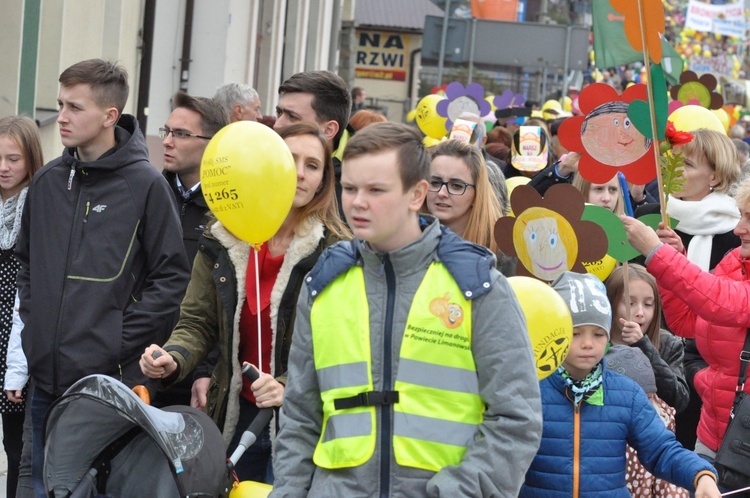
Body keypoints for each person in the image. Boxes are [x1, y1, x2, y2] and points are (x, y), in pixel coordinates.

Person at [270, 122, 542, 496]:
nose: (357, 202)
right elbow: (300, 417)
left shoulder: (476, 285)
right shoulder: (325, 283)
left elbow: (516, 419)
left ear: (417, 194)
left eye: (376, 190)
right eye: (349, 188)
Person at [15, 59, 191, 497]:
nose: (63, 117)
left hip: (107, 385)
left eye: (75, 107)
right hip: (45, 380)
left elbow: (171, 278)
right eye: (60, 104)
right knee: (42, 487)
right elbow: (27, 262)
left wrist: (115, 337)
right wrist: (36, 330)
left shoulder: (147, 186)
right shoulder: (48, 182)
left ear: (110, 116)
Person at [140, 122, 351, 483]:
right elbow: (197, 321)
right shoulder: (223, 237)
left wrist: (286, 384)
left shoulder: (336, 251)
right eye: (289, 160)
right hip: (235, 417)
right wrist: (172, 358)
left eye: (313, 166)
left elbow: (340, 344)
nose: (299, 174)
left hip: (302, 424)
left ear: (324, 180)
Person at [520, 271, 721, 498]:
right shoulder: (530, 391)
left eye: (598, 333)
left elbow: (661, 449)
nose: (588, 344)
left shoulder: (627, 394)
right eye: (575, 333)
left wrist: (700, 474)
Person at [622, 177, 750, 490]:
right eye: (741, 215)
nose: (738, 229)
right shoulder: (736, 261)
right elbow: (687, 321)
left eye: (749, 218)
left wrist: (656, 252)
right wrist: (673, 257)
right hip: (713, 432)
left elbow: (722, 301)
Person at [636, 128, 742, 451]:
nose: (678, 172)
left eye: (690, 165)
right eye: (675, 164)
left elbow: (716, 299)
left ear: (715, 175)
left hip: (710, 376)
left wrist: (673, 260)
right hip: (654, 353)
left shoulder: (737, 234)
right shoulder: (650, 220)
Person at [157, 91, 229, 407]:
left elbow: (224, 299)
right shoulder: (148, 198)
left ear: (213, 143)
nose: (167, 142)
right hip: (143, 361)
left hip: (195, 375)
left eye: (181, 134)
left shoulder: (229, 210)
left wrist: (206, 367)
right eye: (167, 131)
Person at [605, 264, 691, 497]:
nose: (640, 312)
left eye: (648, 304)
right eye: (630, 303)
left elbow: (679, 399)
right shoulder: (594, 344)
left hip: (652, 453)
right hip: (609, 453)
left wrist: (645, 347)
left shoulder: (667, 344)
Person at [0, 116, 43, 498]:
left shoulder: (40, 206)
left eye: (13, 159)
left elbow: (31, 293)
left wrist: (19, 365)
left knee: (17, 446)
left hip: (17, 341)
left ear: (31, 159)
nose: (3, 167)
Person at [424, 139, 513, 274]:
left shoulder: (503, 255)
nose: (442, 193)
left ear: (477, 193)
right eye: (435, 182)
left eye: (456, 186)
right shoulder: (405, 244)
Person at [273, 71, 352, 214]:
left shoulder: (354, 189)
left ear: (328, 130)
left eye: (292, 117)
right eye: (279, 113)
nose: (277, 125)